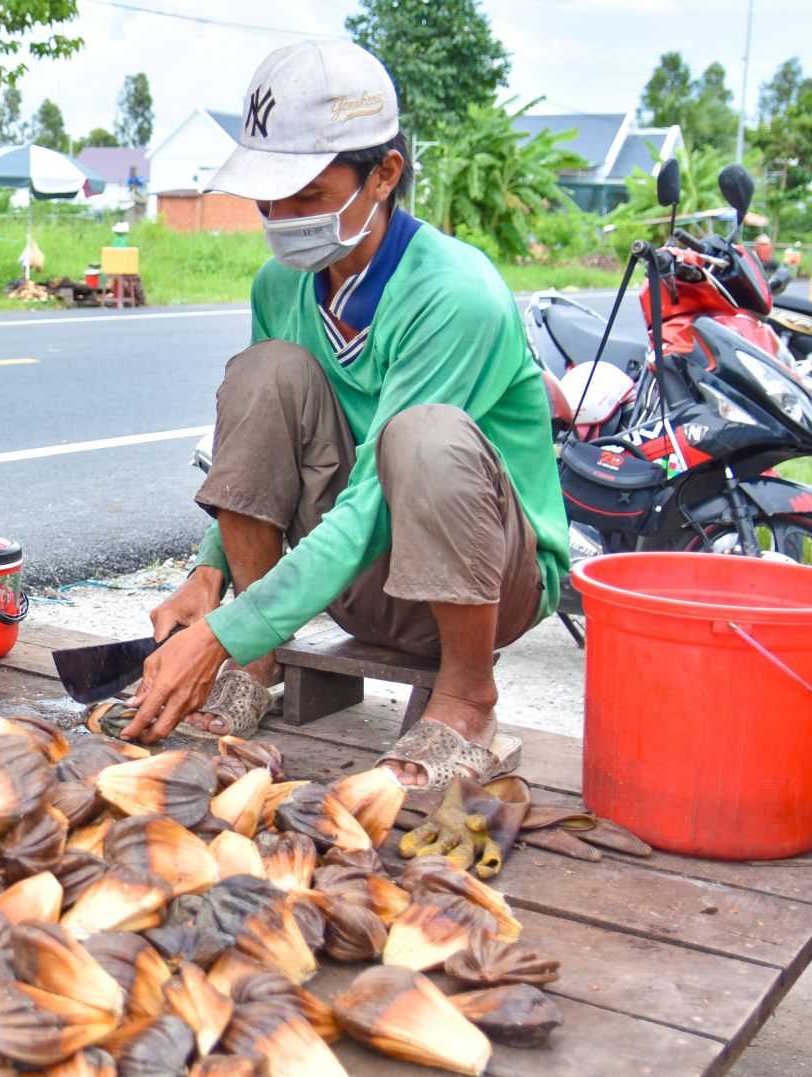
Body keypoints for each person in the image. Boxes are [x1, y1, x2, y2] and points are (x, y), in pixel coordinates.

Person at [119, 40, 570, 791]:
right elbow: (256, 455)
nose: (281, 218)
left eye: (307, 196)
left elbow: (368, 505)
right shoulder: (281, 286)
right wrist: (209, 575)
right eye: (270, 199)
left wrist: (223, 630)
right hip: (359, 581)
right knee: (262, 373)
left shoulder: (455, 293)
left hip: (490, 579)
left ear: (385, 175)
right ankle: (258, 666)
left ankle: (467, 699)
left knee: (422, 435)